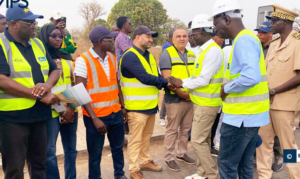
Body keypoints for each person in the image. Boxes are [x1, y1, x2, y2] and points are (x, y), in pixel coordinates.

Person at [210, 0, 270, 178]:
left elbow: (251, 77)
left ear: (227, 19)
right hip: (249, 117)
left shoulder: (243, 40)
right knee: (244, 166)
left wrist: (227, 88)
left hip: (240, 119)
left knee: (227, 165)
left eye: (216, 25)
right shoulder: (246, 39)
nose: (216, 30)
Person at [0, 3, 60, 178]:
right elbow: (1, 80)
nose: (34, 25)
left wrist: (47, 85)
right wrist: (40, 96)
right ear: (13, 24)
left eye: (34, 22)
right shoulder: (2, 44)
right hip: (12, 119)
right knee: (15, 170)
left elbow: (54, 70)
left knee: (40, 167)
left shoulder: (38, 44)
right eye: (29, 22)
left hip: (39, 117)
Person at [169, 14, 224, 179]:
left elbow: (203, 79)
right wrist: (181, 81)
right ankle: (202, 173)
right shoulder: (204, 50)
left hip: (208, 103)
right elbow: (196, 77)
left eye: (192, 34)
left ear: (201, 32)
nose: (190, 37)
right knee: (205, 140)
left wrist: (181, 84)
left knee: (198, 141)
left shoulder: (212, 51)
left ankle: (212, 174)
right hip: (201, 102)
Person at [74, 26, 127, 179]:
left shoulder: (111, 57)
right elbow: (80, 91)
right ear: (100, 42)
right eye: (111, 39)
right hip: (95, 117)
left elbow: (117, 83)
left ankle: (120, 174)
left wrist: (122, 106)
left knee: (118, 147)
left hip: (115, 112)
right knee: (95, 153)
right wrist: (95, 119)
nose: (114, 42)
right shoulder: (83, 60)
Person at [256, 4, 300, 179]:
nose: (271, 24)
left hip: (284, 104)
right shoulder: (273, 43)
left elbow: (298, 77)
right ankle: (264, 175)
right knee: (263, 143)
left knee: (288, 146)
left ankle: (295, 175)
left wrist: (273, 91)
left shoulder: (297, 43)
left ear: (285, 22)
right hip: (266, 103)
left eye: (274, 20)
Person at [120, 26, 167, 179]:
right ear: (138, 37)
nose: (151, 40)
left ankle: (145, 161)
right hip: (136, 107)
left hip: (150, 106)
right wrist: (167, 82)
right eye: (148, 36)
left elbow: (155, 75)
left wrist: (163, 81)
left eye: (152, 37)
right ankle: (134, 169)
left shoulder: (149, 56)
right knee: (135, 139)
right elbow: (145, 78)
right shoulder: (130, 56)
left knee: (146, 136)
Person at [38, 24, 78, 179]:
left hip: (70, 108)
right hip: (51, 111)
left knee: (71, 150)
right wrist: (63, 110)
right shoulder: (39, 58)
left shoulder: (66, 56)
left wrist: (72, 110)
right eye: (53, 35)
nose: (58, 39)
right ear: (44, 36)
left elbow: (73, 83)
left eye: (60, 36)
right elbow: (45, 90)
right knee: (49, 152)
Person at [160, 28, 196, 172]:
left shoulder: (192, 55)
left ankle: (181, 153)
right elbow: (167, 80)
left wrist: (190, 95)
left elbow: (196, 78)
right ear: (172, 39)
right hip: (175, 99)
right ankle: (169, 158)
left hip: (190, 98)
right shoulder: (166, 54)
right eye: (178, 36)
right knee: (172, 130)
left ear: (188, 38)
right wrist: (182, 95)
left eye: (185, 36)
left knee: (185, 129)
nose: (182, 39)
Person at [254, 20, 283, 172]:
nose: (259, 35)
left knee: (288, 140)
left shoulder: (279, 47)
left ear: (271, 34)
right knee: (265, 136)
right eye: (258, 32)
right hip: (263, 98)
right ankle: (264, 171)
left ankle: (292, 163)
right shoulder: (257, 48)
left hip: (283, 100)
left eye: (263, 32)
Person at [160, 28, 175, 126]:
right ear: (171, 37)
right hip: (169, 76)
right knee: (166, 97)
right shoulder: (166, 48)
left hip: (176, 78)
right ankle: (162, 117)